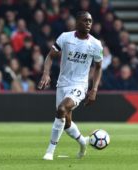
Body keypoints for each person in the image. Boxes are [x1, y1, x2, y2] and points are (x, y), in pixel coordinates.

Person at [38, 11, 103, 160]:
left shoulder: (95, 44)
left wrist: (94, 89)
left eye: (90, 21)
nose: (88, 23)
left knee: (62, 108)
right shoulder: (65, 38)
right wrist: (46, 73)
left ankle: (50, 151)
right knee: (66, 123)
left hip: (80, 85)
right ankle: (83, 143)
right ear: (77, 22)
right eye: (85, 20)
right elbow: (49, 56)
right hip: (62, 84)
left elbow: (98, 67)